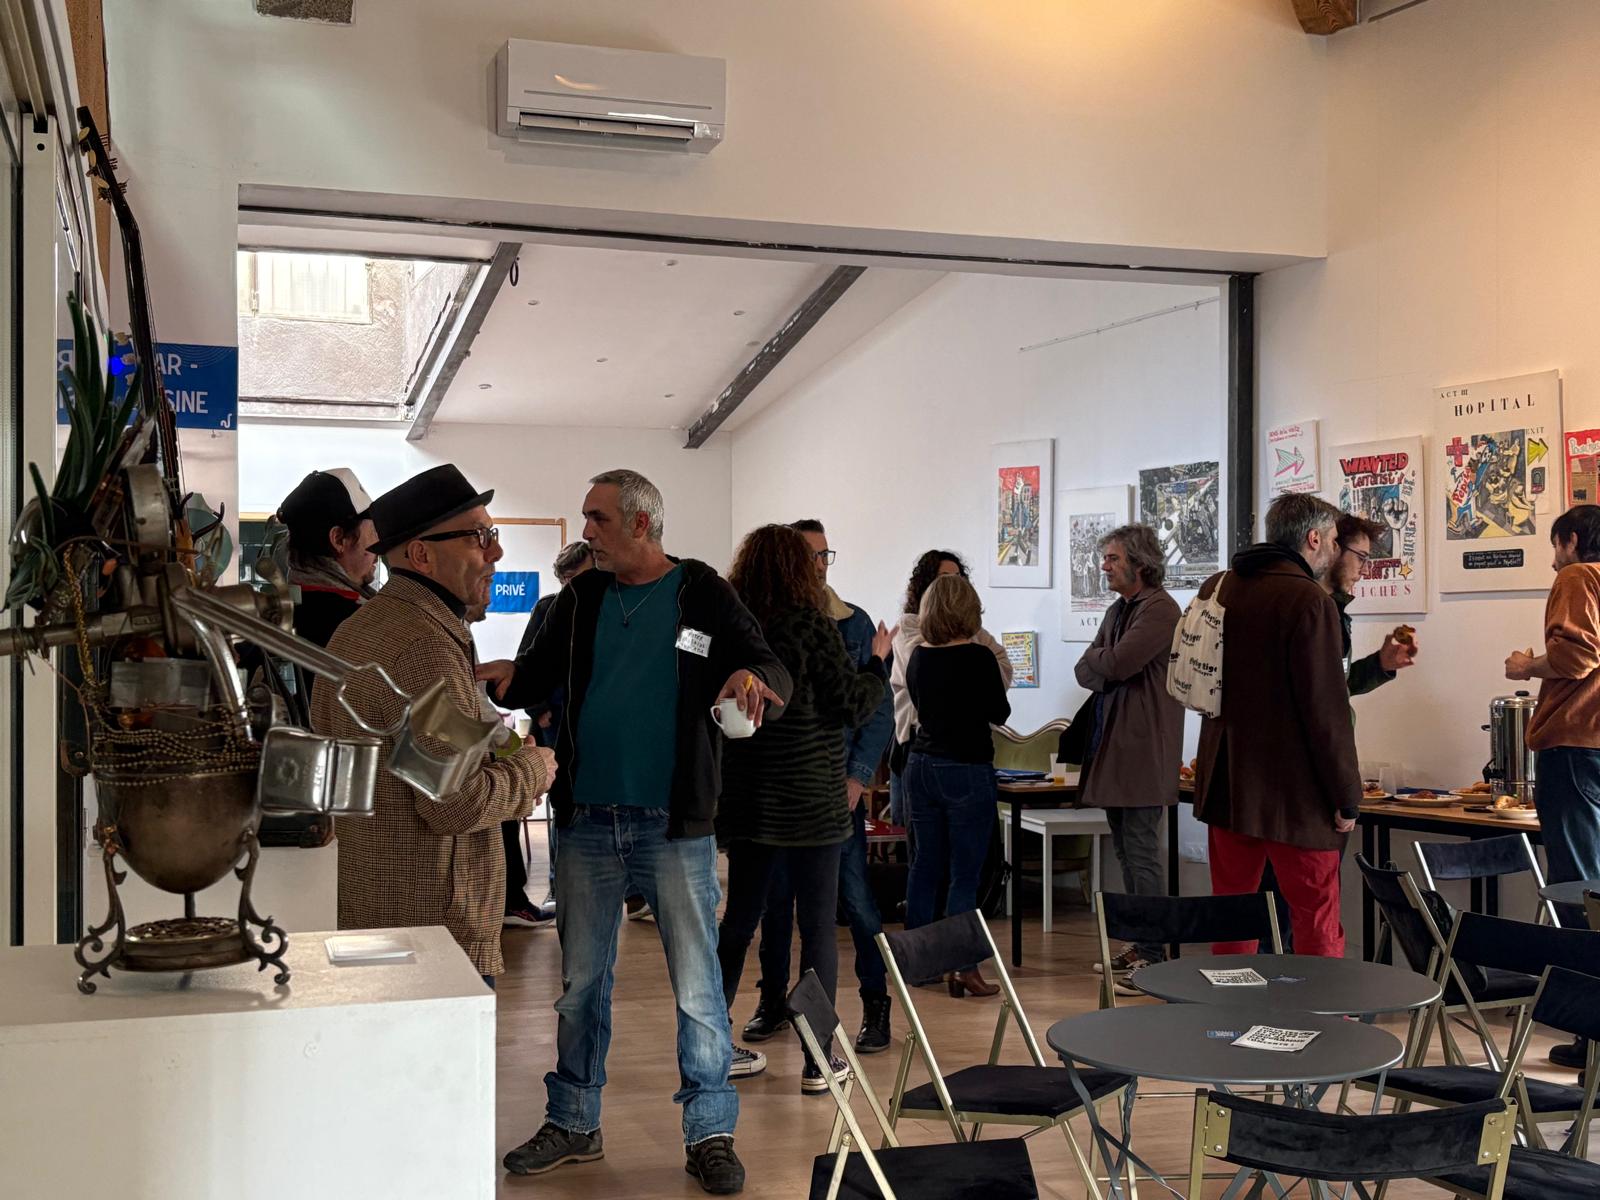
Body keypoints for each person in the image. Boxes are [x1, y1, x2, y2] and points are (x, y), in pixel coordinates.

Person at [482, 469, 793, 1196]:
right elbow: (537, 676)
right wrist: (504, 676)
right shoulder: (581, 598)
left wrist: (749, 679)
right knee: (579, 988)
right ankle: (573, 1123)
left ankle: (710, 1132)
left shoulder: (701, 590)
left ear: (641, 524)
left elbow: (770, 666)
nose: (586, 530)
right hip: (586, 821)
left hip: (672, 826)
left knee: (698, 990)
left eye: (597, 518)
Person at [310, 464, 556, 988]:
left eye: (493, 534)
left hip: (379, 910)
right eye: (479, 537)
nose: (496, 552)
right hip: (437, 934)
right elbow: (455, 803)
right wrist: (533, 770)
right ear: (421, 555)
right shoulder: (425, 647)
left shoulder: (361, 631)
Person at [714, 524, 890, 1093]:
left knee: (740, 923)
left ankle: (711, 1046)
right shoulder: (811, 626)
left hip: (750, 800)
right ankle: (819, 1060)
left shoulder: (735, 627)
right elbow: (852, 704)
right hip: (812, 802)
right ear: (799, 569)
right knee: (816, 931)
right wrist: (878, 665)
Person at [1193, 493, 1362, 958]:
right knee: (1315, 915)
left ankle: (1229, 999)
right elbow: (1325, 710)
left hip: (1226, 778)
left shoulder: (1217, 586)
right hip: (1295, 793)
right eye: (1333, 540)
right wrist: (1346, 794)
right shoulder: (1308, 600)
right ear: (1313, 539)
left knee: (1232, 912)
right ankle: (1321, 1004)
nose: (1335, 550)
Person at [1505, 504, 1600, 1069]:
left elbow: (1577, 654)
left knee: (1579, 890)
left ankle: (1592, 1035)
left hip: (1574, 747)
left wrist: (1526, 666)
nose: (1553, 560)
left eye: (1555, 545)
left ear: (1571, 539)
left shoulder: (1579, 575)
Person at [1073, 524, 1182, 991]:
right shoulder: (1119, 609)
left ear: (1140, 563)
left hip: (1144, 750)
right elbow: (1083, 668)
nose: (1104, 566)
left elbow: (1116, 663)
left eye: (1113, 558)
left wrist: (1105, 660)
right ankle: (1140, 943)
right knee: (1124, 850)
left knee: (1140, 853)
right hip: (1116, 747)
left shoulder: (1161, 609)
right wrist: (1106, 660)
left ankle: (1154, 956)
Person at [903, 573, 1011, 997]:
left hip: (921, 765)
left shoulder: (917, 656)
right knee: (964, 874)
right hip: (966, 766)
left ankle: (917, 963)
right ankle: (963, 967)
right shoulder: (979, 657)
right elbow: (999, 712)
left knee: (924, 866)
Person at [889, 551, 1013, 837]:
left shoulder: (976, 639)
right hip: (922, 743)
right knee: (940, 850)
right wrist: (971, 664)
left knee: (948, 850)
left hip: (960, 747)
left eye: (958, 578)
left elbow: (1002, 663)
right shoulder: (910, 626)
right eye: (944, 578)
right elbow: (931, 679)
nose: (953, 586)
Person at [503, 540, 594, 929]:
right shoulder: (548, 609)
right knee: (564, 805)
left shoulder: (610, 608)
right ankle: (561, 887)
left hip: (595, 724)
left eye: (579, 576)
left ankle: (629, 892)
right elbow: (525, 664)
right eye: (567, 579)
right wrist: (538, 709)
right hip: (556, 724)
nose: (574, 585)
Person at [276, 468, 378, 647]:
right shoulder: (360, 624)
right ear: (338, 539)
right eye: (373, 534)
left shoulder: (280, 612)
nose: (379, 548)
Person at [1329, 512, 1419, 696]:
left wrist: (1380, 664)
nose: (1365, 571)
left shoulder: (1335, 610)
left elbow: (1337, 686)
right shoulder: (1310, 610)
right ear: (1334, 549)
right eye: (1361, 558)